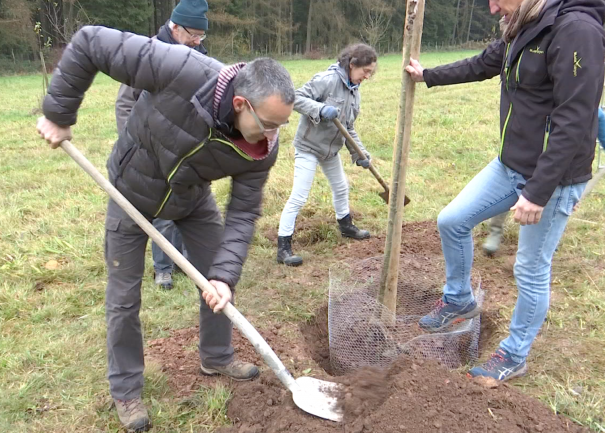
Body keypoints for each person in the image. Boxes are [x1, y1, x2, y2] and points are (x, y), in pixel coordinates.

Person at [36, 25, 295, 431]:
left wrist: (224, 276)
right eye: (267, 124)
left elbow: (243, 214)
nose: (272, 136)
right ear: (241, 103)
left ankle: (217, 355)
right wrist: (58, 114)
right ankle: (126, 388)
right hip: (131, 189)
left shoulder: (262, 151)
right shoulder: (181, 68)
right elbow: (89, 42)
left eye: (280, 126)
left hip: (191, 199)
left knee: (218, 283)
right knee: (124, 297)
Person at [405, 0, 605, 381]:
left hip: (554, 178)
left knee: (530, 268)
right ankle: (459, 300)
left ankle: (513, 355)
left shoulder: (576, 30)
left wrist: (538, 192)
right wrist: (428, 74)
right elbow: (483, 63)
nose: (494, 9)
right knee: (452, 220)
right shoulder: (525, 22)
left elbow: (574, 119)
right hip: (509, 164)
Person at [115, 0, 210, 290]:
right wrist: (135, 143)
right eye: (193, 34)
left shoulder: (199, 55)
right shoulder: (147, 54)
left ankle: (180, 259)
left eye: (201, 36)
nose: (197, 41)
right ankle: (163, 268)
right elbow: (124, 104)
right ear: (175, 27)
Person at [276, 43, 377, 267]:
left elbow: (348, 127)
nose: (367, 77)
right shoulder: (327, 80)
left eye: (370, 72)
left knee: (341, 187)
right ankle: (283, 247)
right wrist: (319, 109)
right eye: (365, 71)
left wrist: (359, 153)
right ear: (352, 65)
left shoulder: (354, 92)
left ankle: (346, 226)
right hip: (309, 147)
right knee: (300, 196)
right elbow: (296, 98)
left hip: (330, 151)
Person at [481, 106, 605, 255]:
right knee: (508, 194)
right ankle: (495, 231)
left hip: (555, 163)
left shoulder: (576, 95)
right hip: (526, 158)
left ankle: (544, 240)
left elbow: (597, 116)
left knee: (549, 201)